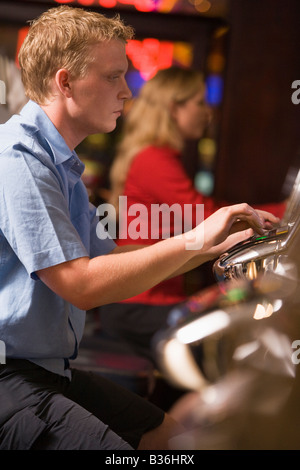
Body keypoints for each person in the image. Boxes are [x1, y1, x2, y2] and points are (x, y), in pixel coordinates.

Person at [0, 5, 280, 450]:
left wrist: (212, 246)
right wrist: (193, 237)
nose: (128, 91)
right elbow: (82, 285)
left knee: (174, 438)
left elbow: (110, 261)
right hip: (9, 377)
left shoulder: (63, 166)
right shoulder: (19, 161)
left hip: (49, 368)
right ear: (65, 81)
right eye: (113, 76)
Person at [100, 66, 287, 363]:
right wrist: (287, 209)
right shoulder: (153, 158)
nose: (208, 111)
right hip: (138, 303)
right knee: (240, 345)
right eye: (199, 102)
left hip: (143, 298)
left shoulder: (156, 154)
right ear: (175, 108)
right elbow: (206, 216)